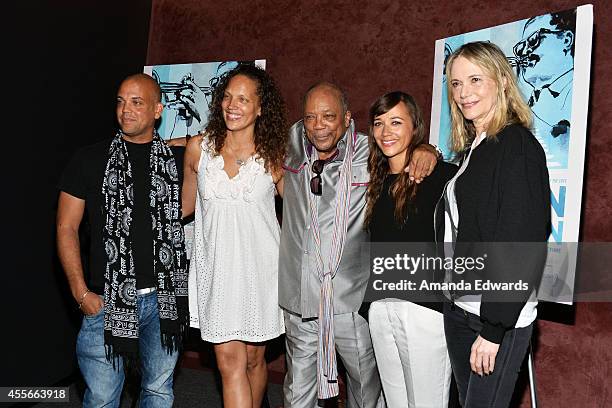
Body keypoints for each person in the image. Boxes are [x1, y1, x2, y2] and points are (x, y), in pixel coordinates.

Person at [278, 82, 439, 407]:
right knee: (297, 394)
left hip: (352, 301)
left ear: (347, 119)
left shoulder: (372, 151)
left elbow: (408, 151)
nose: (318, 125)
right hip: (300, 298)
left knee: (367, 390)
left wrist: (429, 150)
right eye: (310, 117)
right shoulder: (291, 143)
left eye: (328, 116)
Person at [57, 73, 188, 407]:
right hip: (105, 301)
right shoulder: (88, 159)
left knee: (158, 392)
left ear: (158, 110)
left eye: (136, 102)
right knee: (102, 399)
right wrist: (80, 292)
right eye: (120, 101)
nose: (125, 110)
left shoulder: (175, 162)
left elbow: (218, 142)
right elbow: (66, 228)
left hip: (163, 301)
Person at [441, 41, 551, 407]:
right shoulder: (477, 146)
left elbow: (520, 242)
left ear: (503, 81)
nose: (463, 93)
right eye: (456, 84)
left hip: (495, 320)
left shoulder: (516, 146)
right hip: (461, 309)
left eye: (475, 79)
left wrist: (494, 328)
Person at [182, 64, 287, 408]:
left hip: (261, 274)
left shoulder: (274, 157)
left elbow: (305, 217)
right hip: (217, 275)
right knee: (230, 363)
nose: (233, 104)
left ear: (260, 108)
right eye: (227, 96)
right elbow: (184, 209)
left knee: (255, 361)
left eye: (243, 98)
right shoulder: (199, 149)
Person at [365, 91, 458, 408]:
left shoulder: (437, 176)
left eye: (395, 122)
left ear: (414, 126)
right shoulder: (376, 181)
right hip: (380, 309)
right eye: (379, 123)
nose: (385, 132)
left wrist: (431, 151)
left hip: (423, 312)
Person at [513, 10, 576, 168]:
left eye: (534, 40)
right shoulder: (527, 100)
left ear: (566, 40)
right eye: (520, 49)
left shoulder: (574, 97)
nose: (525, 54)